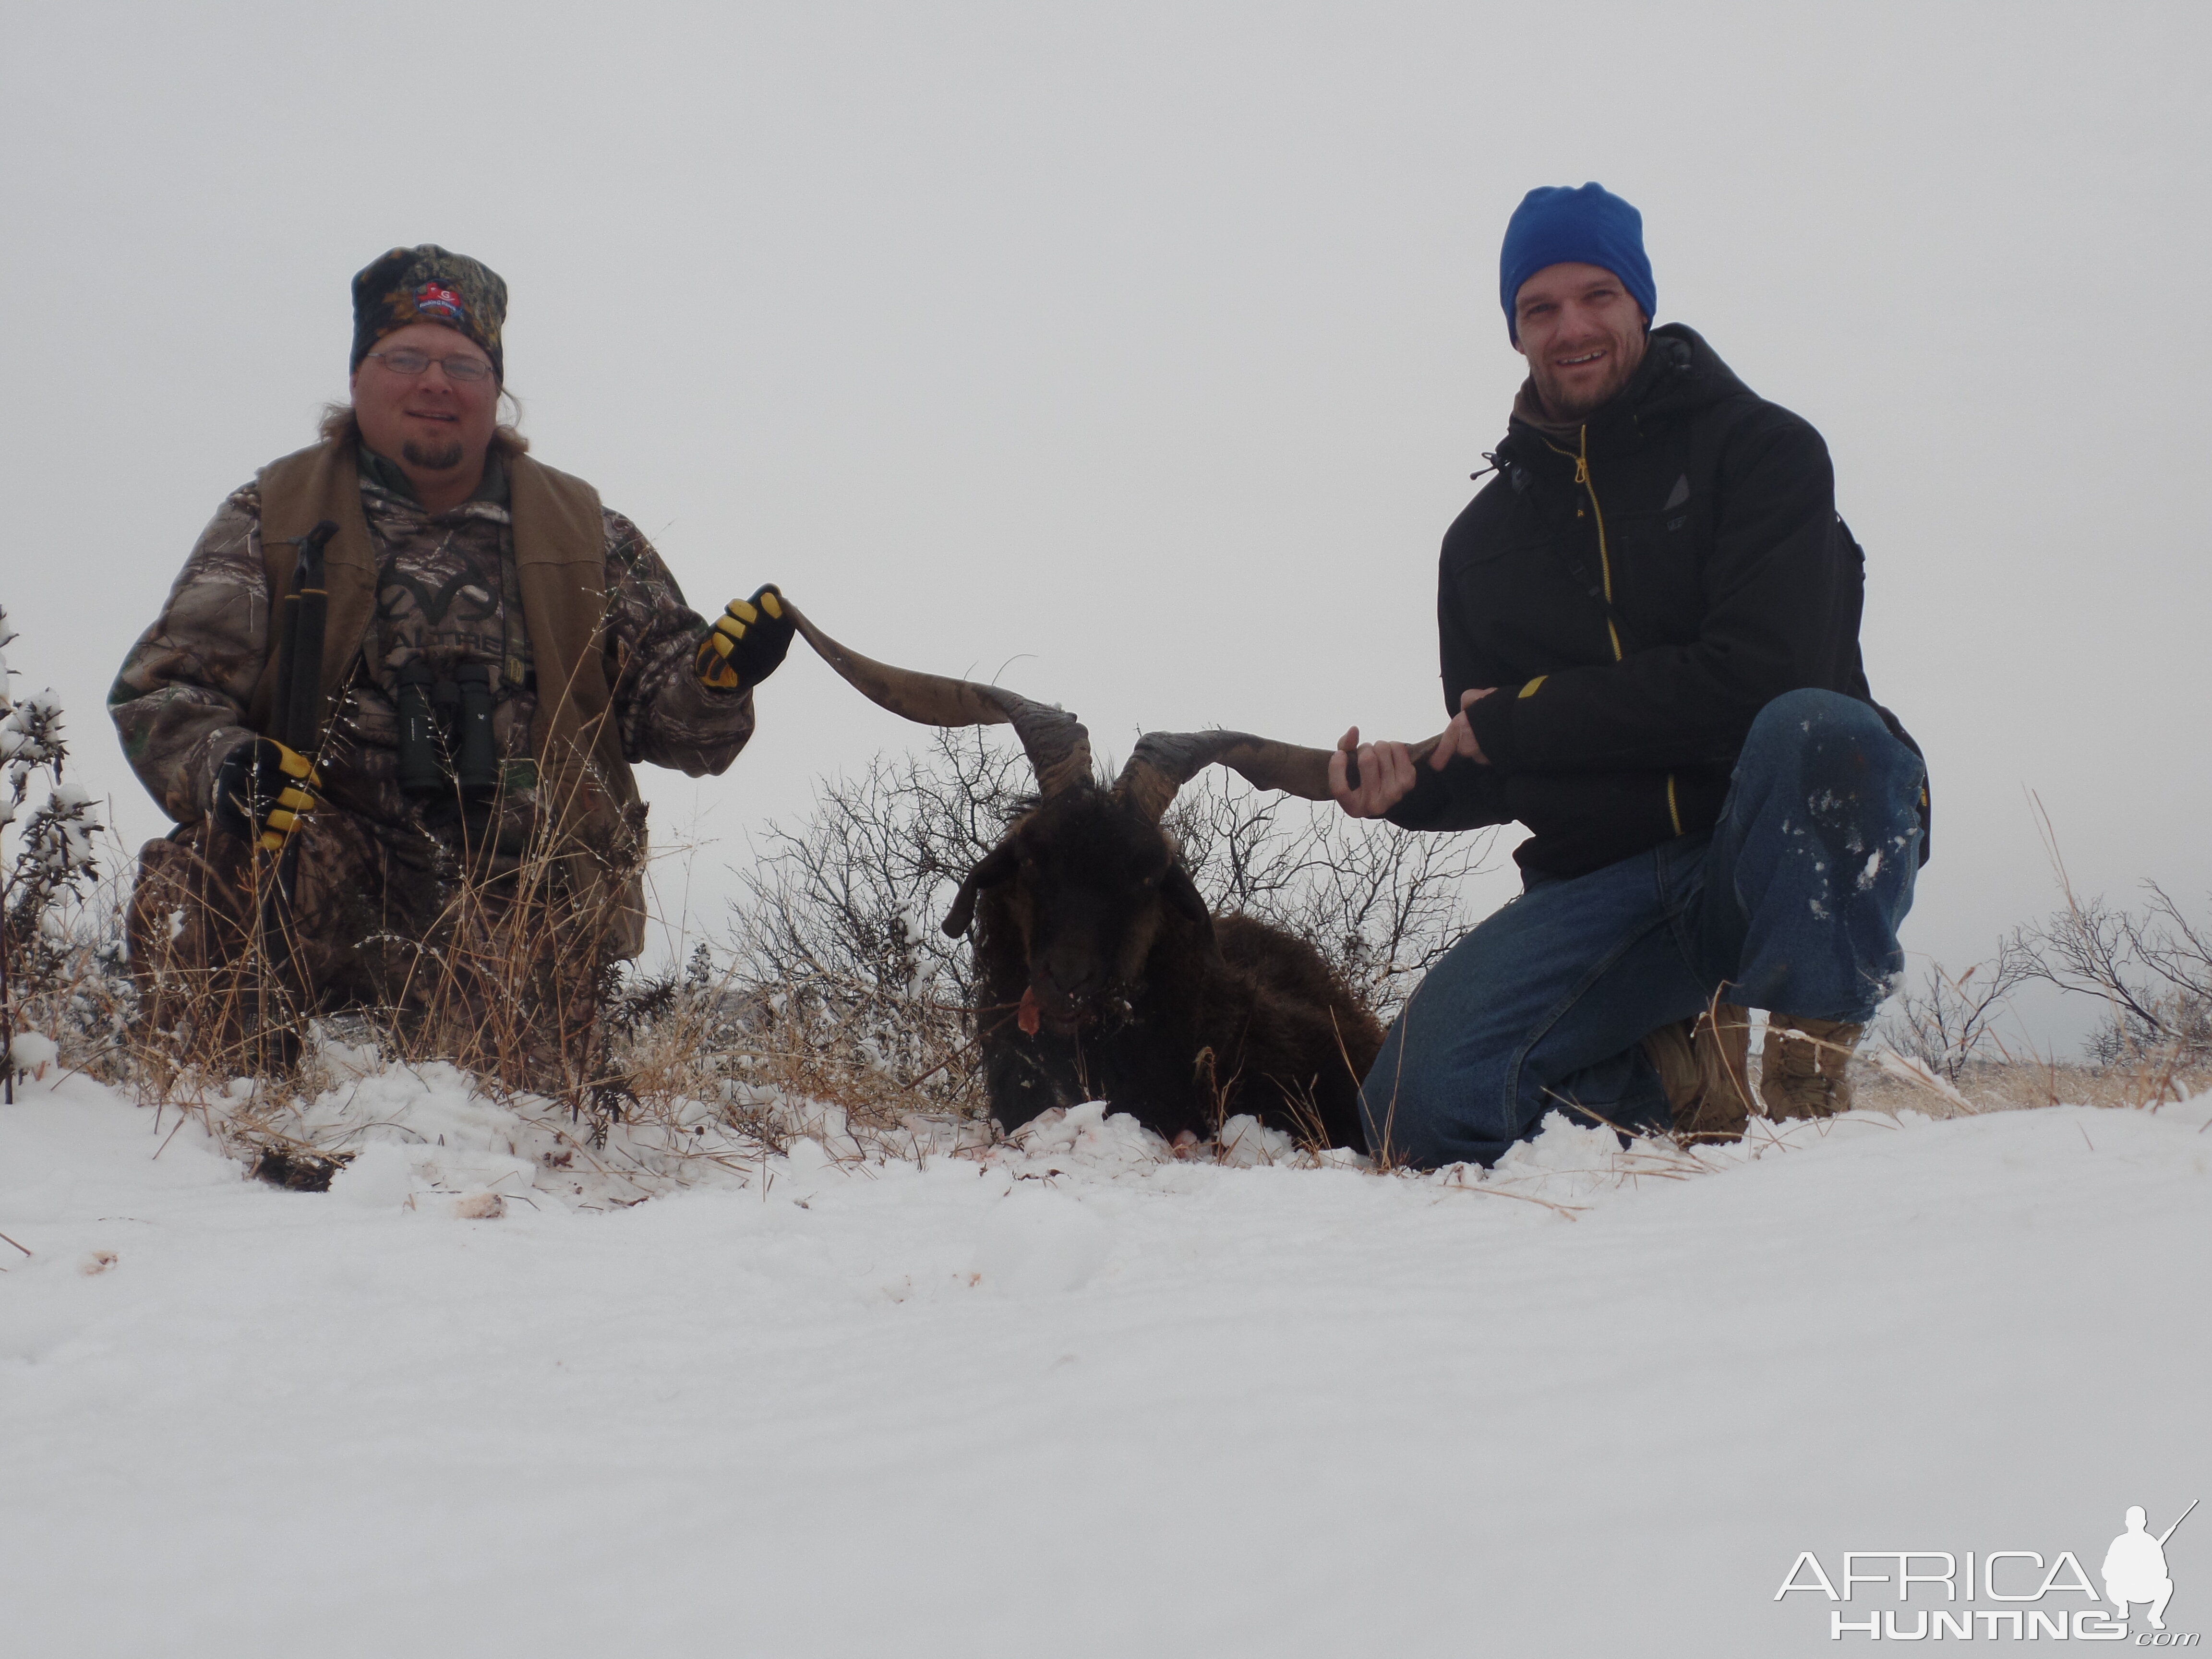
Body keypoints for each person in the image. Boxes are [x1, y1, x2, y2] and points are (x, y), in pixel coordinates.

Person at [1331, 183, 1927, 1168]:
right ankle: (1678, 1071)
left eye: (1597, 295)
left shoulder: (1767, 454)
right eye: (1540, 308)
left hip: (1764, 854)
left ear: (1641, 302)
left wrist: (1522, 718)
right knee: (1413, 1118)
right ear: (1514, 330)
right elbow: (1503, 759)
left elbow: (1757, 680)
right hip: (1605, 890)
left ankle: (1805, 1086)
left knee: (1824, 731)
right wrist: (1408, 787)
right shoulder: (1476, 547)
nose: (1572, 327)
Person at [112, 244, 794, 1091]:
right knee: (196, 877)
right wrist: (228, 768)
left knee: (528, 1120)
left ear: (494, 390)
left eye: (463, 365)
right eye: (405, 357)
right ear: (359, 377)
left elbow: (670, 719)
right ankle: (219, 1116)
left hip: (524, 883)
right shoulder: (275, 514)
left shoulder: (584, 529)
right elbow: (165, 691)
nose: (435, 382)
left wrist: (716, 680)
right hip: (329, 862)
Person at [2103, 1506, 2176, 1630]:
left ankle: (2155, 1616)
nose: (2135, 1524)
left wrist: (2145, 1572)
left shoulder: (2151, 1542)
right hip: (2123, 1590)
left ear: (2144, 1523)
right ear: (2126, 1522)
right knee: (2110, 1584)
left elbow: (2163, 1572)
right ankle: (2123, 1607)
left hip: (2146, 1589)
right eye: (2132, 1520)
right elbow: (2106, 1571)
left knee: (2167, 1584)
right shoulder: (2119, 1542)